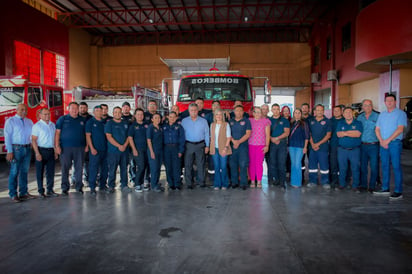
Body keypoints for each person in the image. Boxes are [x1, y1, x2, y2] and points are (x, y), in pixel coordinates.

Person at [374, 94, 407, 199]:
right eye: (387, 101)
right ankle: (385, 188)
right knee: (384, 166)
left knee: (396, 166)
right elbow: (377, 129)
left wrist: (387, 140)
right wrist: (381, 141)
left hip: (394, 144)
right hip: (383, 143)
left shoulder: (400, 114)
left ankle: (398, 191)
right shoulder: (382, 115)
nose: (389, 102)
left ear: (395, 102)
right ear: (385, 102)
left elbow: (400, 129)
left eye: (391, 100)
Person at [55, 102, 86, 195]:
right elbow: (57, 133)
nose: (75, 110)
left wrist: (87, 145)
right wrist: (57, 146)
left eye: (76, 108)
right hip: (65, 148)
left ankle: (79, 187)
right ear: (68, 109)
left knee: (79, 168)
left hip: (79, 148)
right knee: (65, 168)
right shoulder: (62, 119)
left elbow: (87, 134)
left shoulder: (82, 120)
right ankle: (64, 187)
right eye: (72, 108)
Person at [5, 104, 34, 202]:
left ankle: (23, 192)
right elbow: (7, 136)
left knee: (24, 171)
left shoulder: (29, 121)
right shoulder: (11, 121)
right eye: (21, 109)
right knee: (14, 171)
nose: (24, 111)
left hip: (27, 148)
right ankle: (13, 194)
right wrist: (9, 151)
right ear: (16, 110)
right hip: (16, 149)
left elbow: (32, 135)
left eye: (25, 109)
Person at [181, 103, 210, 189]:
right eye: (192, 110)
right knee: (188, 164)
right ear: (189, 111)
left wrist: (207, 146)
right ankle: (189, 183)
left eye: (195, 110)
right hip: (188, 145)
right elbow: (181, 135)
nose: (193, 112)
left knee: (201, 165)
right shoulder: (184, 121)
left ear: (198, 111)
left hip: (200, 145)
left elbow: (207, 134)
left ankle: (201, 182)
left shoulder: (203, 121)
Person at [32, 108, 58, 198]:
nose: (47, 116)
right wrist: (37, 153)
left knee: (50, 172)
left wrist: (55, 151)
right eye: (45, 114)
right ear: (40, 115)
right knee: (40, 172)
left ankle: (50, 190)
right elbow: (34, 140)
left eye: (48, 114)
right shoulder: (37, 126)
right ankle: (40, 191)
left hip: (50, 150)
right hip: (41, 150)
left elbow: (54, 139)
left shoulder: (52, 125)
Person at [105, 106, 131, 193]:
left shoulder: (125, 123)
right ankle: (111, 186)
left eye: (119, 112)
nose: (117, 114)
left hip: (124, 151)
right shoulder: (109, 123)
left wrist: (124, 145)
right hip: (113, 151)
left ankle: (124, 185)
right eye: (115, 112)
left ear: (121, 113)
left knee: (124, 169)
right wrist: (119, 146)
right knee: (112, 169)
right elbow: (109, 136)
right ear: (113, 114)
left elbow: (129, 136)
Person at [336, 107, 363, 191]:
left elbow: (358, 134)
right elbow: (338, 134)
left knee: (355, 168)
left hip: (355, 150)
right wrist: (351, 132)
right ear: (343, 114)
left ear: (353, 113)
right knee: (342, 168)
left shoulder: (358, 123)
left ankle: (355, 186)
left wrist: (345, 133)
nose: (348, 114)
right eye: (346, 112)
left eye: (350, 112)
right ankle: (342, 184)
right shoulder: (340, 123)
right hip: (342, 150)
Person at [357, 99, 380, 192]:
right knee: (363, 166)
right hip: (362, 146)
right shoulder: (359, 117)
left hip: (374, 145)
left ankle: (372, 185)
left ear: (372, 106)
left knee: (374, 166)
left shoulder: (378, 116)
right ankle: (363, 184)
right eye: (365, 105)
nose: (367, 107)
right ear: (362, 107)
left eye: (369, 105)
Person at [307, 104, 332, 189]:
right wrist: (313, 144)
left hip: (323, 148)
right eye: (317, 110)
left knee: (324, 166)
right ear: (315, 111)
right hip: (312, 147)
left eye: (321, 110)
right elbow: (308, 133)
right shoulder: (311, 121)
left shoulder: (328, 121)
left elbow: (328, 135)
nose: (319, 112)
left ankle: (325, 182)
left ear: (323, 111)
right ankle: (312, 181)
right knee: (312, 166)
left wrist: (318, 144)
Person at [86, 105, 108, 195]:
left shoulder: (104, 122)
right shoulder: (90, 122)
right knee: (93, 168)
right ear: (94, 112)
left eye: (100, 110)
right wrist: (92, 148)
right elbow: (88, 136)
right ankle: (92, 187)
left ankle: (102, 185)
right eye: (97, 111)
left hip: (105, 150)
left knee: (105, 169)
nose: (99, 112)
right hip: (95, 150)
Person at [229, 105, 251, 190]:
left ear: (243, 112)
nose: (238, 112)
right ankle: (234, 182)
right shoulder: (230, 121)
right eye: (237, 110)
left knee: (243, 165)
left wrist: (238, 142)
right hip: (233, 146)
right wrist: (234, 141)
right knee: (233, 165)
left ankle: (243, 183)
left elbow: (248, 134)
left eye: (240, 111)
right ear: (234, 112)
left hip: (243, 147)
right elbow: (227, 133)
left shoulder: (246, 121)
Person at [248, 106, 271, 188]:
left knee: (259, 163)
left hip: (261, 145)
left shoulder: (266, 121)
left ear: (261, 113)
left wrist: (267, 146)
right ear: (253, 113)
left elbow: (268, 135)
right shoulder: (249, 121)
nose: (257, 114)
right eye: (256, 112)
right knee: (251, 163)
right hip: (251, 144)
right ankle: (252, 181)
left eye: (259, 112)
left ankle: (259, 181)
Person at [163, 111, 185, 190]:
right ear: (168, 117)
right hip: (166, 148)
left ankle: (177, 184)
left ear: (176, 118)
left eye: (174, 117)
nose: (172, 118)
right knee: (168, 166)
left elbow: (182, 139)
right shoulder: (164, 127)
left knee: (176, 167)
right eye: (170, 117)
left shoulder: (179, 127)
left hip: (176, 148)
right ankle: (170, 184)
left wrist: (180, 150)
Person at [210, 109, 232, 190]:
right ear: (214, 116)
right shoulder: (212, 125)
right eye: (217, 115)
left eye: (220, 115)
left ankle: (224, 184)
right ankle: (217, 184)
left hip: (223, 149)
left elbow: (228, 137)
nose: (218, 116)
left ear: (222, 116)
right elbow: (211, 137)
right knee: (216, 167)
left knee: (223, 167)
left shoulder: (226, 124)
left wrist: (225, 148)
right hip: (214, 149)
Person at [269, 103, 290, 187]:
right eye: (274, 109)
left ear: (279, 110)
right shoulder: (268, 120)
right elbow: (266, 132)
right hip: (272, 144)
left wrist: (277, 138)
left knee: (281, 163)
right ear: (271, 110)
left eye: (277, 109)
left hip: (282, 144)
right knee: (273, 163)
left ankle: (282, 181)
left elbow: (287, 132)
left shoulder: (284, 120)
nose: (276, 111)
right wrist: (271, 139)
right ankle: (276, 180)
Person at [128, 108, 149, 192]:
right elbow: (130, 138)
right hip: (138, 149)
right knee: (141, 166)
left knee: (145, 166)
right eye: (138, 114)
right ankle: (137, 184)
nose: (140, 116)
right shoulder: (133, 126)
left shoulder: (146, 125)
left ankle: (142, 183)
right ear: (135, 116)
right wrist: (134, 149)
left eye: (141, 114)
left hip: (146, 149)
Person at [288, 108, 309, 188]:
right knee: (293, 164)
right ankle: (293, 181)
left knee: (297, 164)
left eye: (298, 113)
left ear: (301, 114)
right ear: (293, 114)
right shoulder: (291, 123)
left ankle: (298, 182)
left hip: (300, 146)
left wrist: (305, 147)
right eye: (295, 113)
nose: (297, 114)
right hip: (291, 146)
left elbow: (307, 136)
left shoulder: (304, 124)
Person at [147, 113, 164, 192]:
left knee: (158, 168)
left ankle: (156, 183)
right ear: (152, 119)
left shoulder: (160, 128)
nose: (158, 119)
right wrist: (151, 152)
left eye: (159, 118)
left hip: (160, 151)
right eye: (156, 118)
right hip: (153, 151)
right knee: (154, 169)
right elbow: (149, 140)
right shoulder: (150, 128)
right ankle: (153, 185)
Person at [329, 105, 344, 188]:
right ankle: (334, 180)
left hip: (343, 146)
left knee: (343, 164)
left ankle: (343, 180)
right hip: (333, 145)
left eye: (338, 111)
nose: (336, 112)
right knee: (333, 163)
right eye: (334, 111)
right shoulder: (330, 121)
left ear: (341, 111)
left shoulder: (345, 120)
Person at [301, 102, 313, 184]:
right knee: (301, 161)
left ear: (309, 109)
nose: (305, 109)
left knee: (311, 161)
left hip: (311, 144)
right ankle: (301, 177)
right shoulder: (299, 119)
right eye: (303, 108)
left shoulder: (313, 119)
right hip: (301, 144)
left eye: (306, 108)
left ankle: (312, 179)